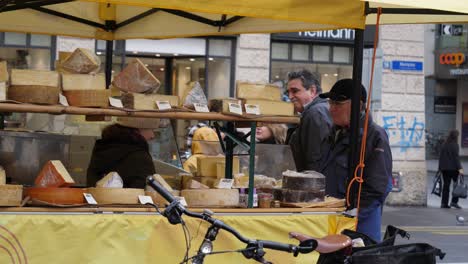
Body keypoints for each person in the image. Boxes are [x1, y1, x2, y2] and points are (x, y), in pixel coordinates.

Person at [319, 79, 392, 241]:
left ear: (358, 106)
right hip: (332, 220)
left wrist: (352, 216)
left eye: (338, 103)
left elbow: (378, 187)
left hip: (359, 226)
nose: (331, 109)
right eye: (330, 103)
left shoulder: (374, 136)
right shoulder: (333, 133)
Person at [87, 117, 159, 188]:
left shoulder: (102, 148)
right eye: (151, 130)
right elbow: (147, 191)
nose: (152, 136)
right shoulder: (140, 157)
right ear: (137, 130)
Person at [287, 69, 332, 172]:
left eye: (295, 91)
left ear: (312, 91)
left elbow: (315, 159)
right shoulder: (317, 111)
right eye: (288, 92)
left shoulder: (315, 114)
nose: (290, 96)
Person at [439, 130, 463, 209]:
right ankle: (454, 202)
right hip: (453, 169)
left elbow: (441, 157)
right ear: (456, 136)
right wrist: (460, 168)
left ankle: (444, 203)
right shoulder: (455, 145)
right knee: (456, 186)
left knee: (446, 186)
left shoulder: (444, 144)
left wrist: (440, 168)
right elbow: (456, 158)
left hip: (444, 169)